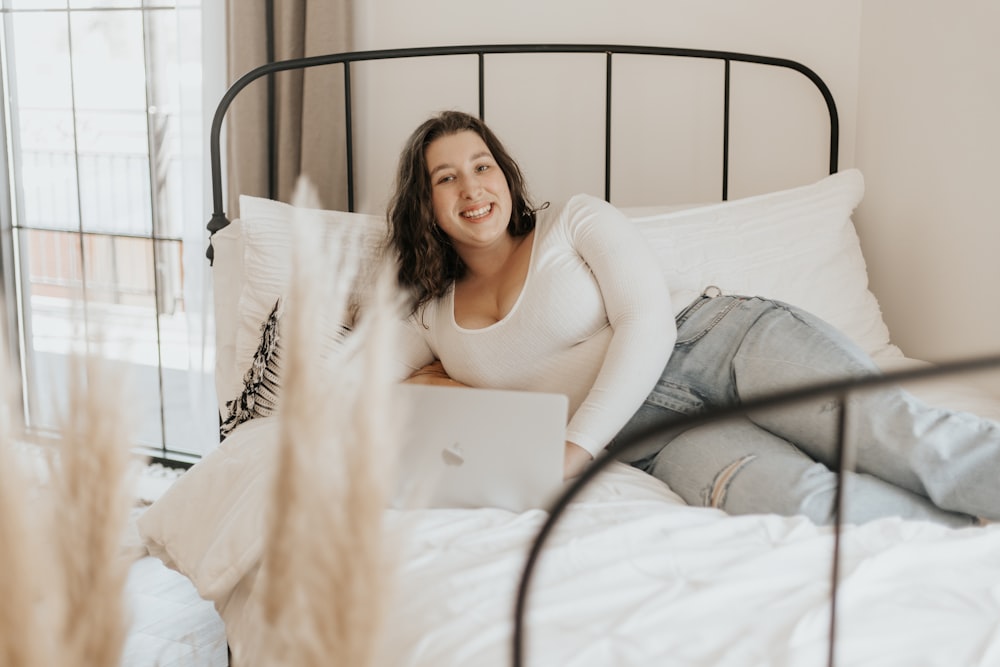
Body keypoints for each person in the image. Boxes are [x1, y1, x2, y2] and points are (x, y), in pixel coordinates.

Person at [386, 110, 999, 528]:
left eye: (482, 165)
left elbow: (647, 323)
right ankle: (968, 536)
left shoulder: (573, 220)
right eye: (447, 177)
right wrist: (432, 384)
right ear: (426, 203)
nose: (472, 187)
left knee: (897, 434)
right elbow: (341, 375)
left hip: (721, 343)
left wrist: (574, 448)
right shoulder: (429, 317)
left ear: (505, 175)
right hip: (654, 440)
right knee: (796, 499)